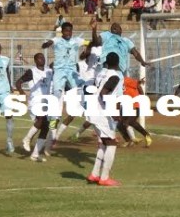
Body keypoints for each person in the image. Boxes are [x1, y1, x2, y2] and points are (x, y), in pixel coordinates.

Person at [41, 22, 85, 150]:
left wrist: (93, 32)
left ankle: (80, 107)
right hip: (60, 72)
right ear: (62, 32)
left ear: (72, 31)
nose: (68, 33)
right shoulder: (57, 40)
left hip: (71, 72)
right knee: (56, 98)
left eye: (70, 31)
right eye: (66, 31)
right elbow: (49, 43)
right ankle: (53, 129)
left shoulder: (77, 40)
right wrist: (46, 44)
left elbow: (90, 43)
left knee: (80, 92)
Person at [86, 52, 124, 187]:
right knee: (112, 143)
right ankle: (105, 178)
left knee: (103, 143)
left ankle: (94, 175)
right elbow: (103, 93)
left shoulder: (102, 72)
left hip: (93, 110)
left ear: (107, 62)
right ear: (118, 63)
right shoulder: (115, 76)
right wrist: (112, 111)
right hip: (101, 112)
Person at [16, 53, 53, 162]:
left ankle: (35, 154)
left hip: (46, 103)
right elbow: (18, 82)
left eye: (43, 57)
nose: (42, 59)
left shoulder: (49, 71)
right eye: (40, 58)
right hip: (35, 102)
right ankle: (27, 139)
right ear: (35, 60)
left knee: (45, 127)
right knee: (41, 119)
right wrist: (21, 92)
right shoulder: (31, 72)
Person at [118, 76, 152, 147]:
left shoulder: (126, 80)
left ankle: (147, 136)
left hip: (134, 105)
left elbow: (137, 84)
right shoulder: (116, 83)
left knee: (129, 122)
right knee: (120, 125)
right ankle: (128, 140)